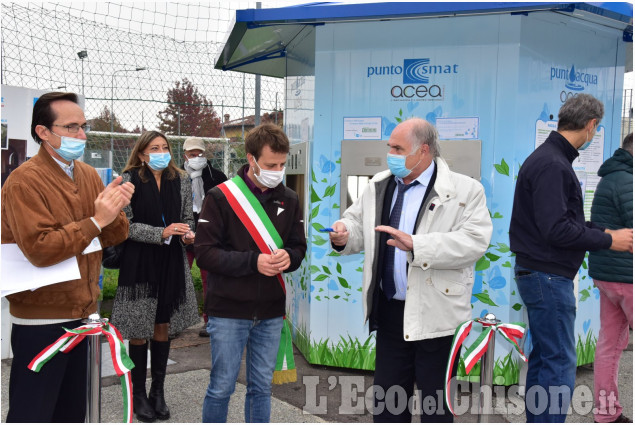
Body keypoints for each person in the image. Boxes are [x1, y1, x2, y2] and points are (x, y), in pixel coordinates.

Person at [328, 117, 492, 423]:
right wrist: (344, 235)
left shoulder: (466, 190)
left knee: (435, 408)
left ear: (424, 151)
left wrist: (417, 245)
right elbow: (358, 224)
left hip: (437, 316)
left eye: (398, 148)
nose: (390, 153)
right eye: (389, 146)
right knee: (388, 407)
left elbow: (474, 243)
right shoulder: (378, 184)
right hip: (390, 313)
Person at [1, 91, 132, 422]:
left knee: (73, 411)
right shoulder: (24, 181)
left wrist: (115, 210)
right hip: (42, 321)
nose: (82, 135)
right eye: (71, 127)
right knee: (34, 412)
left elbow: (114, 236)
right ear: (43, 132)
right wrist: (96, 221)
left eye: (83, 126)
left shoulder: (87, 174)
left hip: (85, 314)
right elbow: (40, 249)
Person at [509, 94, 633, 423]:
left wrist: (607, 232)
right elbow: (556, 230)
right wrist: (609, 239)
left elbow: (567, 223)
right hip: (547, 275)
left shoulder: (551, 158)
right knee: (559, 363)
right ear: (591, 126)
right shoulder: (552, 163)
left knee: (547, 359)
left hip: (541, 273)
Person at [195, 123, 307, 423]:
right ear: (251, 159)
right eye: (271, 164)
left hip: (271, 311)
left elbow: (299, 247)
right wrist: (253, 262)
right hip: (229, 310)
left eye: (283, 164)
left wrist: (289, 257)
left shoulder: (290, 199)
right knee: (222, 387)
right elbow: (204, 254)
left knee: (261, 389)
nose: (278, 171)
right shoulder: (220, 197)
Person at [110, 130, 200, 423]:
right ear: (141, 153)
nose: (161, 152)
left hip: (171, 260)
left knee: (163, 324)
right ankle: (138, 394)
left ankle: (157, 391)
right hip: (140, 262)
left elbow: (188, 218)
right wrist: (159, 233)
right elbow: (125, 226)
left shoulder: (182, 180)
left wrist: (187, 234)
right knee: (139, 329)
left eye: (165, 147)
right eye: (154, 148)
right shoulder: (129, 181)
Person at [589, 133, 633, 424]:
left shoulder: (611, 177)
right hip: (627, 275)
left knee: (609, 344)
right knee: (611, 344)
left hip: (607, 276)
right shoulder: (628, 181)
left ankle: (606, 413)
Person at [181, 136, 227, 338]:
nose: (196, 157)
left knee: (210, 279)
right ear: (185, 155)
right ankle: (176, 320)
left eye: (199, 153)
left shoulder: (217, 177)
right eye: (192, 154)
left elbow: (225, 209)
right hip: (183, 234)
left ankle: (210, 320)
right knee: (180, 277)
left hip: (210, 236)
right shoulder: (177, 177)